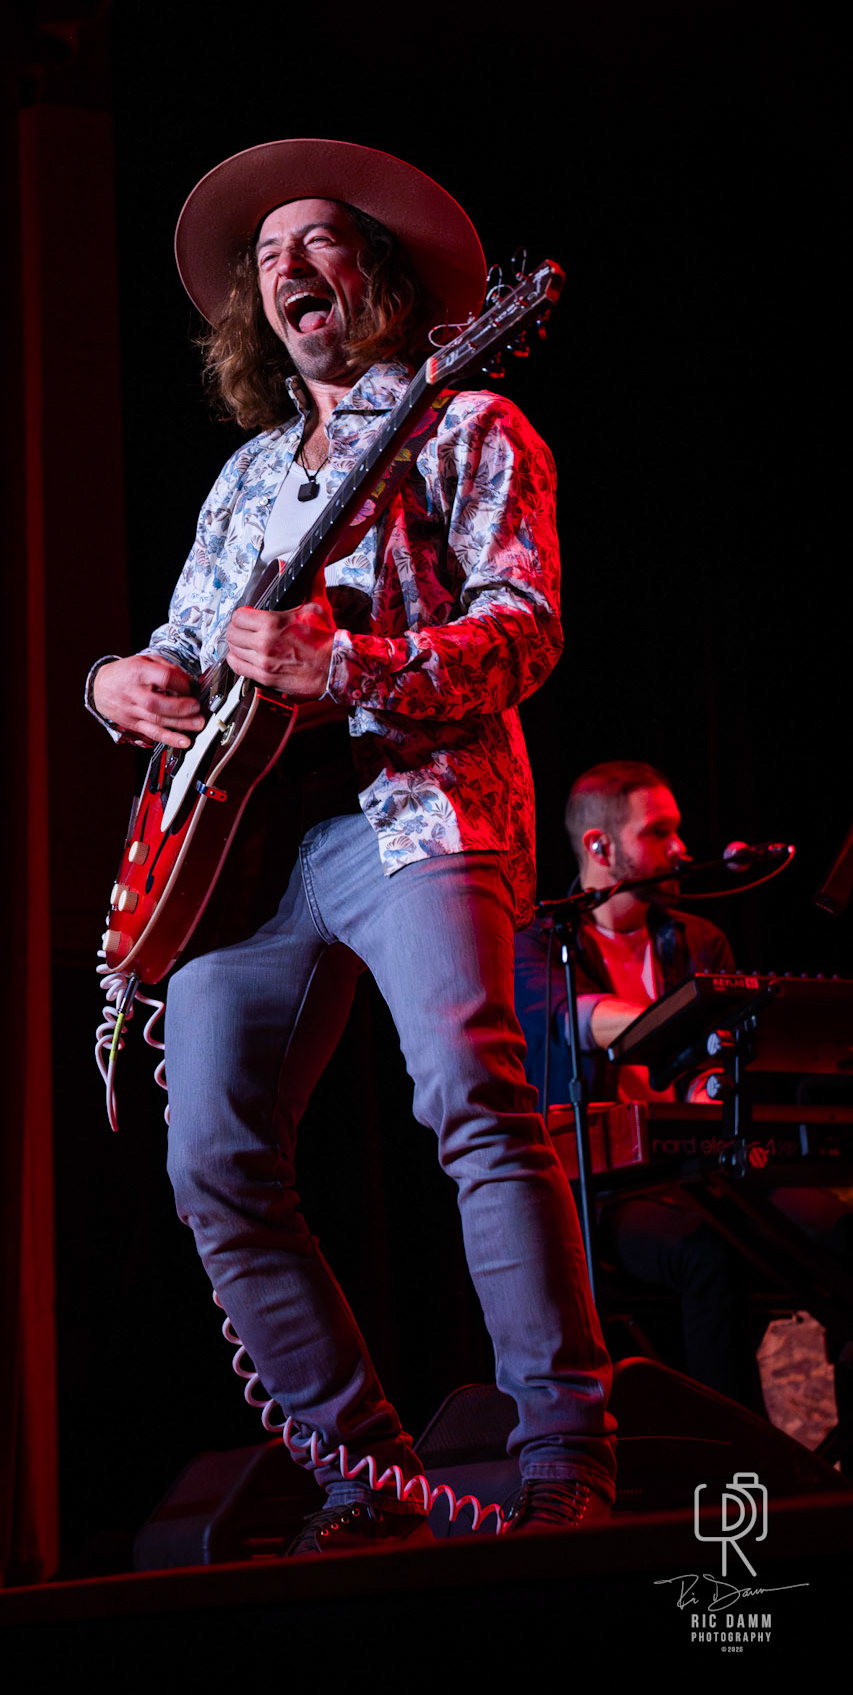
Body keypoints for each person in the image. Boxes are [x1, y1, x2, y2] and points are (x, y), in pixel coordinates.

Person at [87, 139, 614, 1546]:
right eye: (267, 257)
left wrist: (351, 667)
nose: (288, 268)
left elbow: (525, 628)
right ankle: (362, 1476)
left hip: (417, 805)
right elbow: (184, 643)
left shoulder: (468, 421)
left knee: (472, 1093)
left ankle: (565, 1446)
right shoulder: (247, 476)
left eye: (317, 240)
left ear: (375, 273)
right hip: (247, 845)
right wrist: (119, 682)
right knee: (210, 1159)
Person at [513, 761, 765, 1412]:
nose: (680, 849)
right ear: (599, 846)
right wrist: (696, 1023)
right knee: (710, 1253)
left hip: (704, 1178)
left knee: (832, 1228)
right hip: (605, 1197)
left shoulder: (698, 940)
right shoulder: (540, 942)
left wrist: (715, 1078)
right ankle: (731, 1451)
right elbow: (582, 1021)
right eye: (658, 832)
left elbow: (719, 1074)